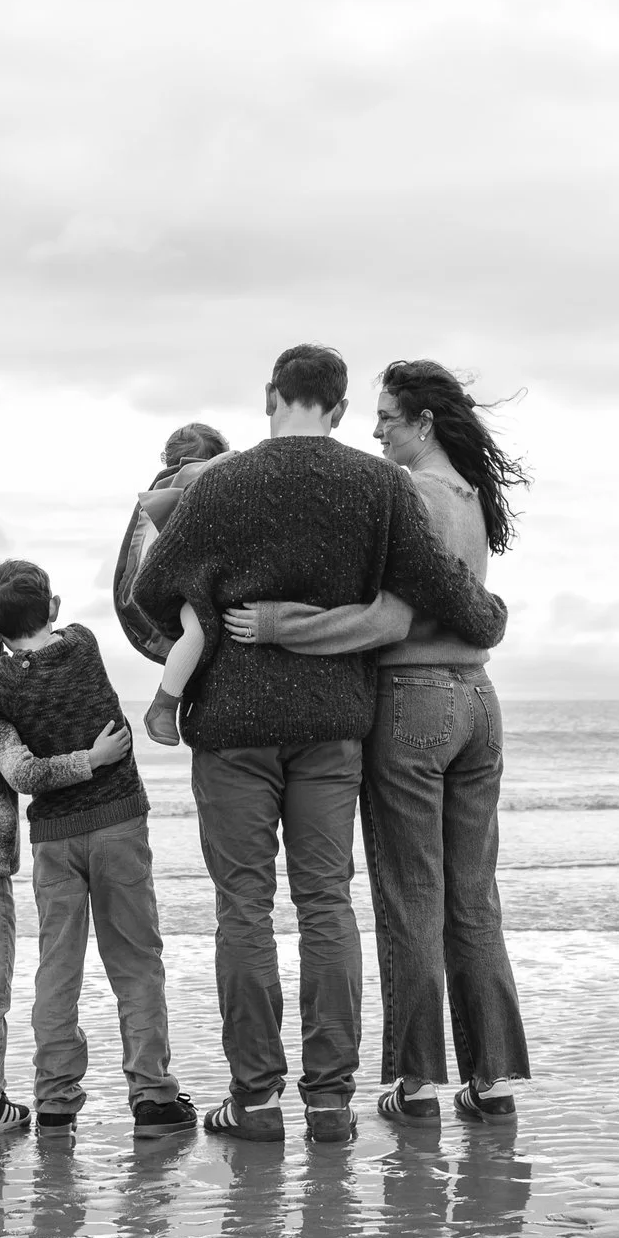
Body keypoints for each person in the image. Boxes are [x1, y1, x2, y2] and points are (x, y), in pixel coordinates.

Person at [131, 343, 510, 1144]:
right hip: (336, 721)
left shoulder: (225, 481)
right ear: (337, 409)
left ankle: (257, 1099)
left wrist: (200, 634)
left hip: (233, 723)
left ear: (271, 395)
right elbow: (434, 583)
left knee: (244, 908)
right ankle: (331, 1102)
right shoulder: (377, 482)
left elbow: (151, 585)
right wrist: (485, 622)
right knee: (326, 904)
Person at [227, 360, 533, 1126]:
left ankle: (418, 1082)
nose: (376, 429)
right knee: (473, 898)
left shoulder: (413, 495)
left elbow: (385, 621)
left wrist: (277, 624)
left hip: (415, 701)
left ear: (423, 422)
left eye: (388, 416)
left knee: (410, 897)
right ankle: (490, 1080)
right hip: (478, 703)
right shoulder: (467, 494)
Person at [0, 561, 194, 1136]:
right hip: (118, 824)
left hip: (53, 840)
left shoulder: (1, 685)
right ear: (56, 607)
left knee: (56, 969)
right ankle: (153, 1099)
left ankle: (56, 1097)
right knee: (136, 962)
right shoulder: (83, 642)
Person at [109, 421, 236, 746]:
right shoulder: (194, 481)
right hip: (180, 587)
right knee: (199, 631)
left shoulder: (164, 487)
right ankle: (164, 704)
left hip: (187, 581)